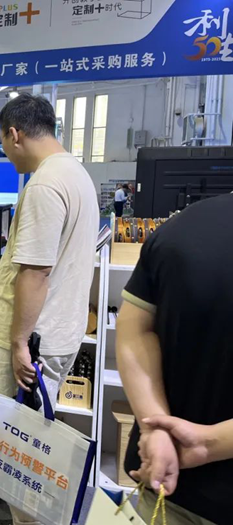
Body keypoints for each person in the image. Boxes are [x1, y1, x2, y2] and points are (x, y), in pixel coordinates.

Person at [0, 94, 99, 525]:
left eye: (2, 143)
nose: (5, 152)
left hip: (33, 341)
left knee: (18, 451)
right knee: (35, 440)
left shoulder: (43, 185)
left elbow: (35, 272)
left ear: (15, 134)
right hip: (59, 332)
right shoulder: (77, 174)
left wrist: (19, 343)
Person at [116, 194, 233, 525]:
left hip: (164, 482)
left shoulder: (182, 226)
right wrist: (208, 443)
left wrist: (154, 427)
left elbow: (134, 328)